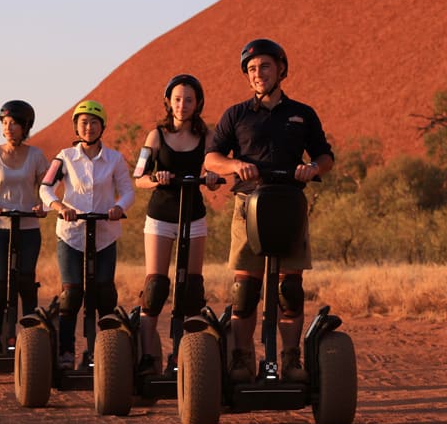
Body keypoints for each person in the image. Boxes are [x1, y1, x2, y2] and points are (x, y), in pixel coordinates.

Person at [204, 39, 334, 383]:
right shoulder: (236, 114)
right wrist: (235, 165)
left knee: (289, 290)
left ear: (280, 69)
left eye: (264, 66)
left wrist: (312, 169)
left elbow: (325, 157)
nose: (257, 74)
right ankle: (242, 360)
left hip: (289, 206)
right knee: (244, 292)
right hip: (248, 206)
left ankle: (291, 361)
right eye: (251, 69)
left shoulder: (302, 114)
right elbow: (211, 157)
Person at [133, 74, 221, 375]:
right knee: (156, 287)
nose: (182, 105)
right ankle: (147, 356)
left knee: (192, 288)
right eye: (178, 99)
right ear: (168, 102)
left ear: (198, 104)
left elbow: (215, 168)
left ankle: (186, 358)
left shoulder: (207, 137)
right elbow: (139, 178)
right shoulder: (155, 136)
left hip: (193, 215)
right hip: (160, 216)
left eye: (189, 100)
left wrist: (211, 178)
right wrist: (156, 178)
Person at [39, 100, 134, 370]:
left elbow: (128, 191)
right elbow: (46, 189)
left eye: (94, 122)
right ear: (76, 127)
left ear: (102, 126)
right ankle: (66, 353)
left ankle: (104, 353)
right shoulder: (64, 157)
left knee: (104, 293)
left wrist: (118, 207)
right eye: (83, 123)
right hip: (71, 234)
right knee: (72, 294)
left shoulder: (114, 159)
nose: (89, 127)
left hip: (104, 233)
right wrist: (60, 206)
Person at [0, 100, 49, 354]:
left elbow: (47, 187)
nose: (8, 128)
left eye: (14, 124)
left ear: (25, 126)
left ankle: (30, 338)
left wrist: (42, 204)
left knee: (26, 281)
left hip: (28, 224)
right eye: (4, 123)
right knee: (1, 282)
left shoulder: (37, 156)